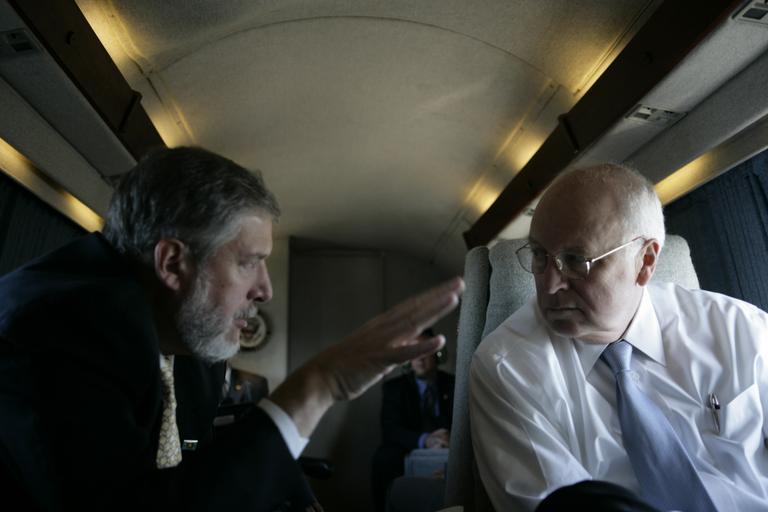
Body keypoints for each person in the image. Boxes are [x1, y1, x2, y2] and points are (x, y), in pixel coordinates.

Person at [0, 146, 464, 511]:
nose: (265, 290)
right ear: (173, 262)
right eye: (248, 263)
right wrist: (320, 383)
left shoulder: (190, 348)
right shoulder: (60, 327)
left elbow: (195, 475)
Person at [469, 163, 768, 511]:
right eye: (539, 255)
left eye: (576, 260)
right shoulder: (507, 367)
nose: (549, 285)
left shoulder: (739, 327)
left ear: (645, 262)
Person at [371, 330, 455, 512]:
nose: (419, 358)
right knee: (384, 458)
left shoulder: (454, 384)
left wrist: (449, 438)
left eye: (425, 351)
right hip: (410, 446)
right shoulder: (394, 387)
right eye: (414, 351)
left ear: (438, 353)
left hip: (448, 444)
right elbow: (390, 429)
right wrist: (425, 440)